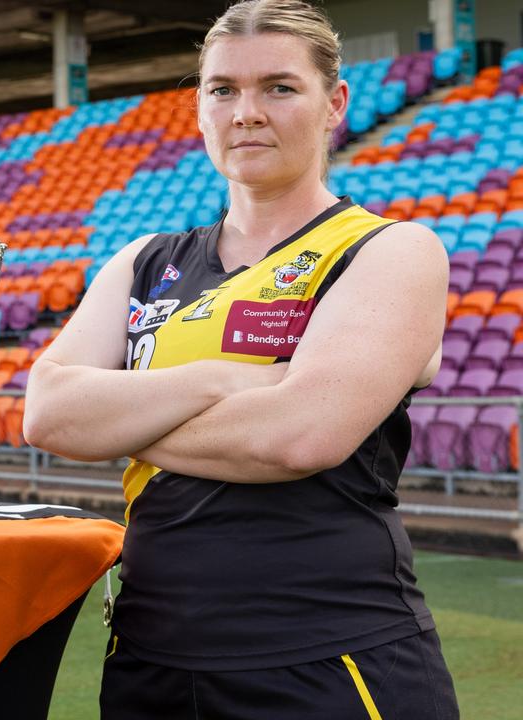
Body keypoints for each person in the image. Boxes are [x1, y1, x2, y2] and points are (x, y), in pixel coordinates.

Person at [23, 1, 458, 718]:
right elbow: (47, 415)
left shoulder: (389, 250)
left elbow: (298, 437)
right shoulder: (141, 261)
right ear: (199, 107)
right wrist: (218, 379)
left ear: (334, 104)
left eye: (279, 88)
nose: (246, 112)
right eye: (222, 89)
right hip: (148, 661)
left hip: (330, 660)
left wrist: (119, 419)